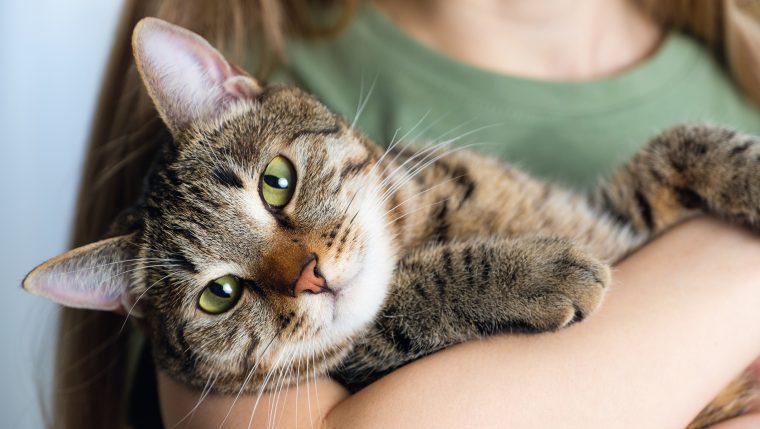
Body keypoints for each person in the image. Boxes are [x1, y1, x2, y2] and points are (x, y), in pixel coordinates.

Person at [56, 0, 760, 428]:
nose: (300, 269)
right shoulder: (260, 39)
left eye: (275, 185)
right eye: (222, 290)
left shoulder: (738, 60)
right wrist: (740, 268)